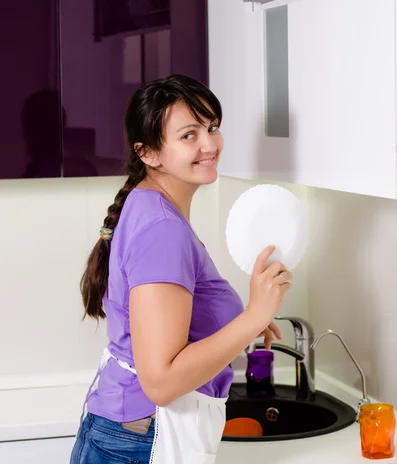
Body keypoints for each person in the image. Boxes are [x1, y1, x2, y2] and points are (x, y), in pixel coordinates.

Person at [70, 74, 292, 464]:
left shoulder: (150, 206)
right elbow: (161, 382)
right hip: (141, 441)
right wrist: (257, 312)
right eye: (189, 135)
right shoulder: (163, 231)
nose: (210, 145)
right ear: (149, 153)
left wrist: (239, 326)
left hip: (127, 433)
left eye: (212, 127)